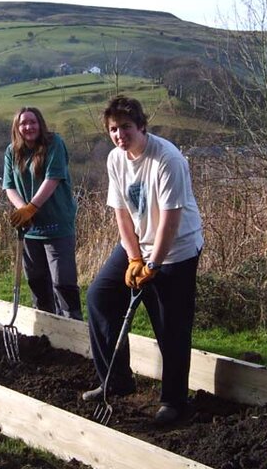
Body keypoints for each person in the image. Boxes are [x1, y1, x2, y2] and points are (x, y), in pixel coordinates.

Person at [82, 95, 204, 425]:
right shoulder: (115, 160)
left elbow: (170, 219)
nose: (120, 135)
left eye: (126, 127)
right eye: (113, 129)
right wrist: (135, 257)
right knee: (100, 297)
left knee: (171, 326)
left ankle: (174, 402)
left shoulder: (167, 159)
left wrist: (153, 265)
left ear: (141, 127)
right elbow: (121, 213)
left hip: (175, 250)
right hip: (138, 243)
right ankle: (116, 380)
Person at [2, 107, 83, 321]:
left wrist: (31, 208)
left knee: (63, 283)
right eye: (23, 123)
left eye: (33, 122)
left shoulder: (54, 143)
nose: (28, 127)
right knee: (37, 284)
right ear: (17, 128)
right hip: (30, 230)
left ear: (41, 124)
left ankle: (74, 332)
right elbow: (9, 186)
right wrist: (23, 210)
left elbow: (53, 179)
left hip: (57, 226)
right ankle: (46, 332)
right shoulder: (12, 151)